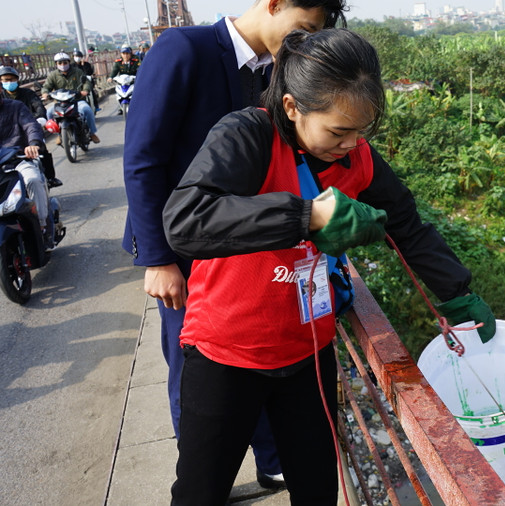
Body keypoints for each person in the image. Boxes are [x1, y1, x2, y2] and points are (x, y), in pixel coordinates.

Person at [162, 28, 496, 504]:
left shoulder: (357, 157)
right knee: (200, 491)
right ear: (294, 107)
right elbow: (186, 220)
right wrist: (306, 216)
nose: (351, 144)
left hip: (307, 350)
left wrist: (456, 291)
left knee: (317, 486)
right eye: (339, 131)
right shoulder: (248, 135)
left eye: (362, 131)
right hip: (226, 352)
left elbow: (406, 224)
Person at [122, 0, 350, 491]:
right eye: (304, 28)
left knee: (265, 363)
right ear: (273, 3)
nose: (304, 43)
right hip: (186, 246)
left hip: (253, 242)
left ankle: (271, 460)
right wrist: (158, 258)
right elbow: (144, 158)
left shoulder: (280, 71)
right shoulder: (184, 50)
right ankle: (205, 471)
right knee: (202, 372)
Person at [1, 66, 62, 188]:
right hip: (4, 154)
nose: (9, 82)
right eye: (5, 80)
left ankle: (50, 177)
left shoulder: (25, 96)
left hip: (28, 130)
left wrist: (38, 122)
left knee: (40, 150)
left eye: (11, 79)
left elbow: (38, 106)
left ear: (17, 80)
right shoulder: (3, 95)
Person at [0, 92, 51, 228]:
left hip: (19, 160)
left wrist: (33, 144)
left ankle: (41, 225)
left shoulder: (16, 107)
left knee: (33, 180)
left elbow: (31, 126)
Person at [41, 52, 100, 144]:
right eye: (60, 63)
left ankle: (92, 133)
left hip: (77, 101)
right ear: (56, 64)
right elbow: (46, 86)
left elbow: (86, 82)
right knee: (49, 113)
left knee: (87, 110)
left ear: (69, 62)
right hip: (60, 103)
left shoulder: (78, 72)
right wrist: (45, 93)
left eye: (65, 63)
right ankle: (59, 135)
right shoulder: (53, 75)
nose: (63, 65)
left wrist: (85, 90)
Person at [107, 46, 140, 115]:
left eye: (127, 53)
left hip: (134, 82)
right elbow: (114, 71)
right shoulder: (118, 63)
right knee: (119, 93)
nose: (125, 55)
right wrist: (111, 77)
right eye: (124, 53)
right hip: (123, 83)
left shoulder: (135, 62)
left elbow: (141, 69)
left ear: (130, 54)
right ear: (121, 54)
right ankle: (120, 107)